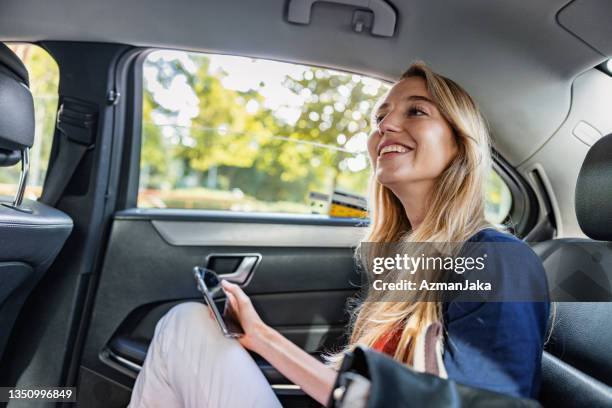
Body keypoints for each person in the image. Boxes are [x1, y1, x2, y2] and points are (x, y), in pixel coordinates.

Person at [127, 62, 550, 407]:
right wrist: (259, 336)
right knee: (186, 324)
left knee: (183, 328)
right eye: (380, 116)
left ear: (460, 143)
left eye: (415, 111)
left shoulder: (498, 260)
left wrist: (270, 342)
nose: (385, 126)